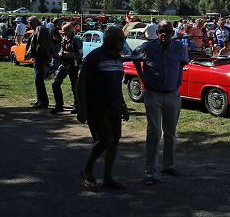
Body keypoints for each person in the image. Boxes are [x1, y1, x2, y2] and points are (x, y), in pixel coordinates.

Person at [131, 20, 190, 186]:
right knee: (154, 132)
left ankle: (168, 166)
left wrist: (176, 79)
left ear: (173, 33)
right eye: (161, 31)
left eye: (168, 31)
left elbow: (183, 63)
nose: (164, 34)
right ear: (156, 33)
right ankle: (150, 172)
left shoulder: (179, 48)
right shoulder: (147, 47)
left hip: (173, 95)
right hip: (153, 94)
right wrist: (142, 78)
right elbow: (135, 57)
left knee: (170, 132)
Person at [76, 25, 129, 189]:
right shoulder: (95, 56)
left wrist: (123, 105)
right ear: (110, 40)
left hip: (114, 107)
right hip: (96, 106)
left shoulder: (118, 58)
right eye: (121, 39)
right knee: (106, 139)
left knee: (115, 141)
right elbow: (81, 82)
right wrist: (82, 108)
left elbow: (116, 85)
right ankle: (87, 170)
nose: (123, 41)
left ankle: (108, 177)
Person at [51, 23, 83, 114]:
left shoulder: (76, 40)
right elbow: (62, 49)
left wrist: (67, 54)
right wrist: (61, 53)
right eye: (62, 31)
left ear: (70, 31)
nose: (63, 33)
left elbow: (79, 55)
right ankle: (59, 105)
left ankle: (77, 106)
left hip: (73, 65)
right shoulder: (64, 39)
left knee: (74, 86)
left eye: (65, 31)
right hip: (64, 64)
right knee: (55, 83)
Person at [27, 17, 52, 108]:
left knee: (39, 80)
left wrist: (37, 54)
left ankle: (43, 102)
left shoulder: (41, 29)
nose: (29, 25)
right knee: (37, 80)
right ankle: (39, 100)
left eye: (30, 22)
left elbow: (42, 45)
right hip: (39, 58)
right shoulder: (38, 29)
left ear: (35, 22)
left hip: (41, 58)